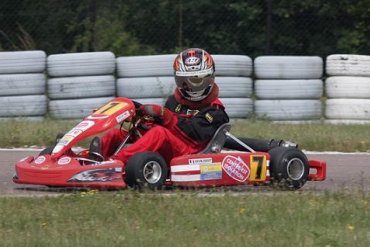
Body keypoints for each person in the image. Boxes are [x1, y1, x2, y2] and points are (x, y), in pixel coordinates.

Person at [95, 48, 229, 165]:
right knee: (117, 134)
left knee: (159, 134)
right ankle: (92, 160)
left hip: (191, 154)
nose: (191, 87)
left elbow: (193, 134)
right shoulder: (174, 102)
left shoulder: (215, 111)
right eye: (185, 81)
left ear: (209, 78)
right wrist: (141, 117)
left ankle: (115, 164)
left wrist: (164, 115)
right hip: (170, 148)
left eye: (197, 81)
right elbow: (164, 125)